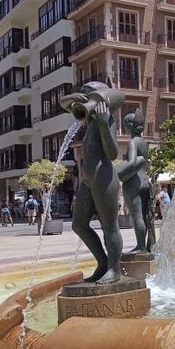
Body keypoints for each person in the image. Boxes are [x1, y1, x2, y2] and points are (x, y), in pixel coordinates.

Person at [59, 80, 125, 283]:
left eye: (90, 97)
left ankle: (114, 269)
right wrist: (75, 98)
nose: (87, 102)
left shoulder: (106, 120)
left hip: (104, 176)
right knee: (79, 225)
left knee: (109, 226)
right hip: (87, 179)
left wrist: (105, 124)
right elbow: (64, 103)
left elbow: (112, 153)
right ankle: (103, 263)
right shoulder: (87, 119)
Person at [117, 109, 155, 253]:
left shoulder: (133, 142)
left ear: (130, 126)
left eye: (126, 124)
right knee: (146, 216)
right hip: (145, 180)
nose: (124, 126)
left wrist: (118, 174)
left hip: (134, 183)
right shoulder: (144, 142)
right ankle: (146, 245)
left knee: (137, 215)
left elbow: (132, 163)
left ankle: (140, 246)